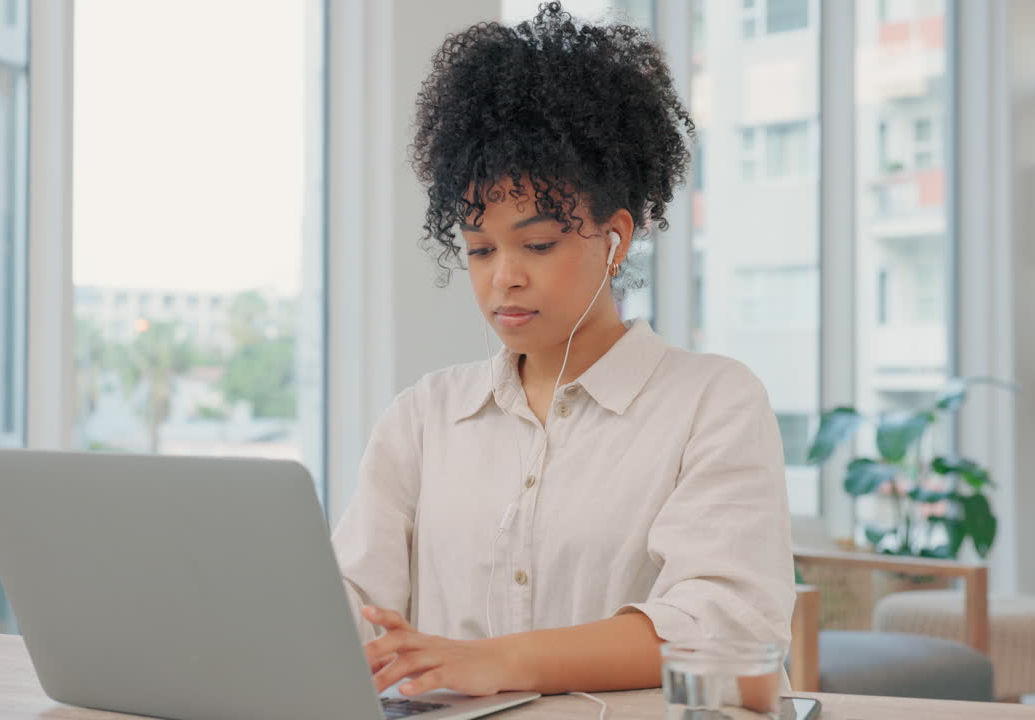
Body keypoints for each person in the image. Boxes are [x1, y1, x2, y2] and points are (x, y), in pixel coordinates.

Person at [331, 1, 794, 701]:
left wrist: (500, 661)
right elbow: (354, 607)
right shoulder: (423, 418)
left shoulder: (712, 402)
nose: (503, 276)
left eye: (538, 244)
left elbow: (722, 623)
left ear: (616, 239)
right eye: (480, 249)